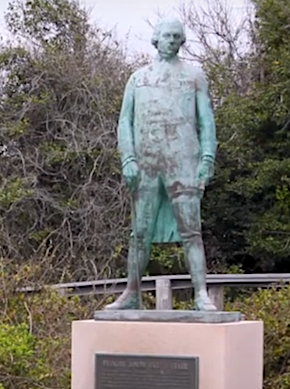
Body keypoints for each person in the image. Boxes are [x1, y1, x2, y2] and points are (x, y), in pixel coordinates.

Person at [104, 18, 218, 311]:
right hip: (146, 165)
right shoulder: (138, 78)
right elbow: (124, 123)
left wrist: (207, 160)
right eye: (166, 35)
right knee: (139, 233)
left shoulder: (194, 76)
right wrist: (128, 158)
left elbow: (206, 121)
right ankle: (131, 292)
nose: (171, 40)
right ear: (156, 39)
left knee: (192, 231)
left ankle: (201, 294)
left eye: (176, 36)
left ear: (182, 41)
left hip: (183, 163)